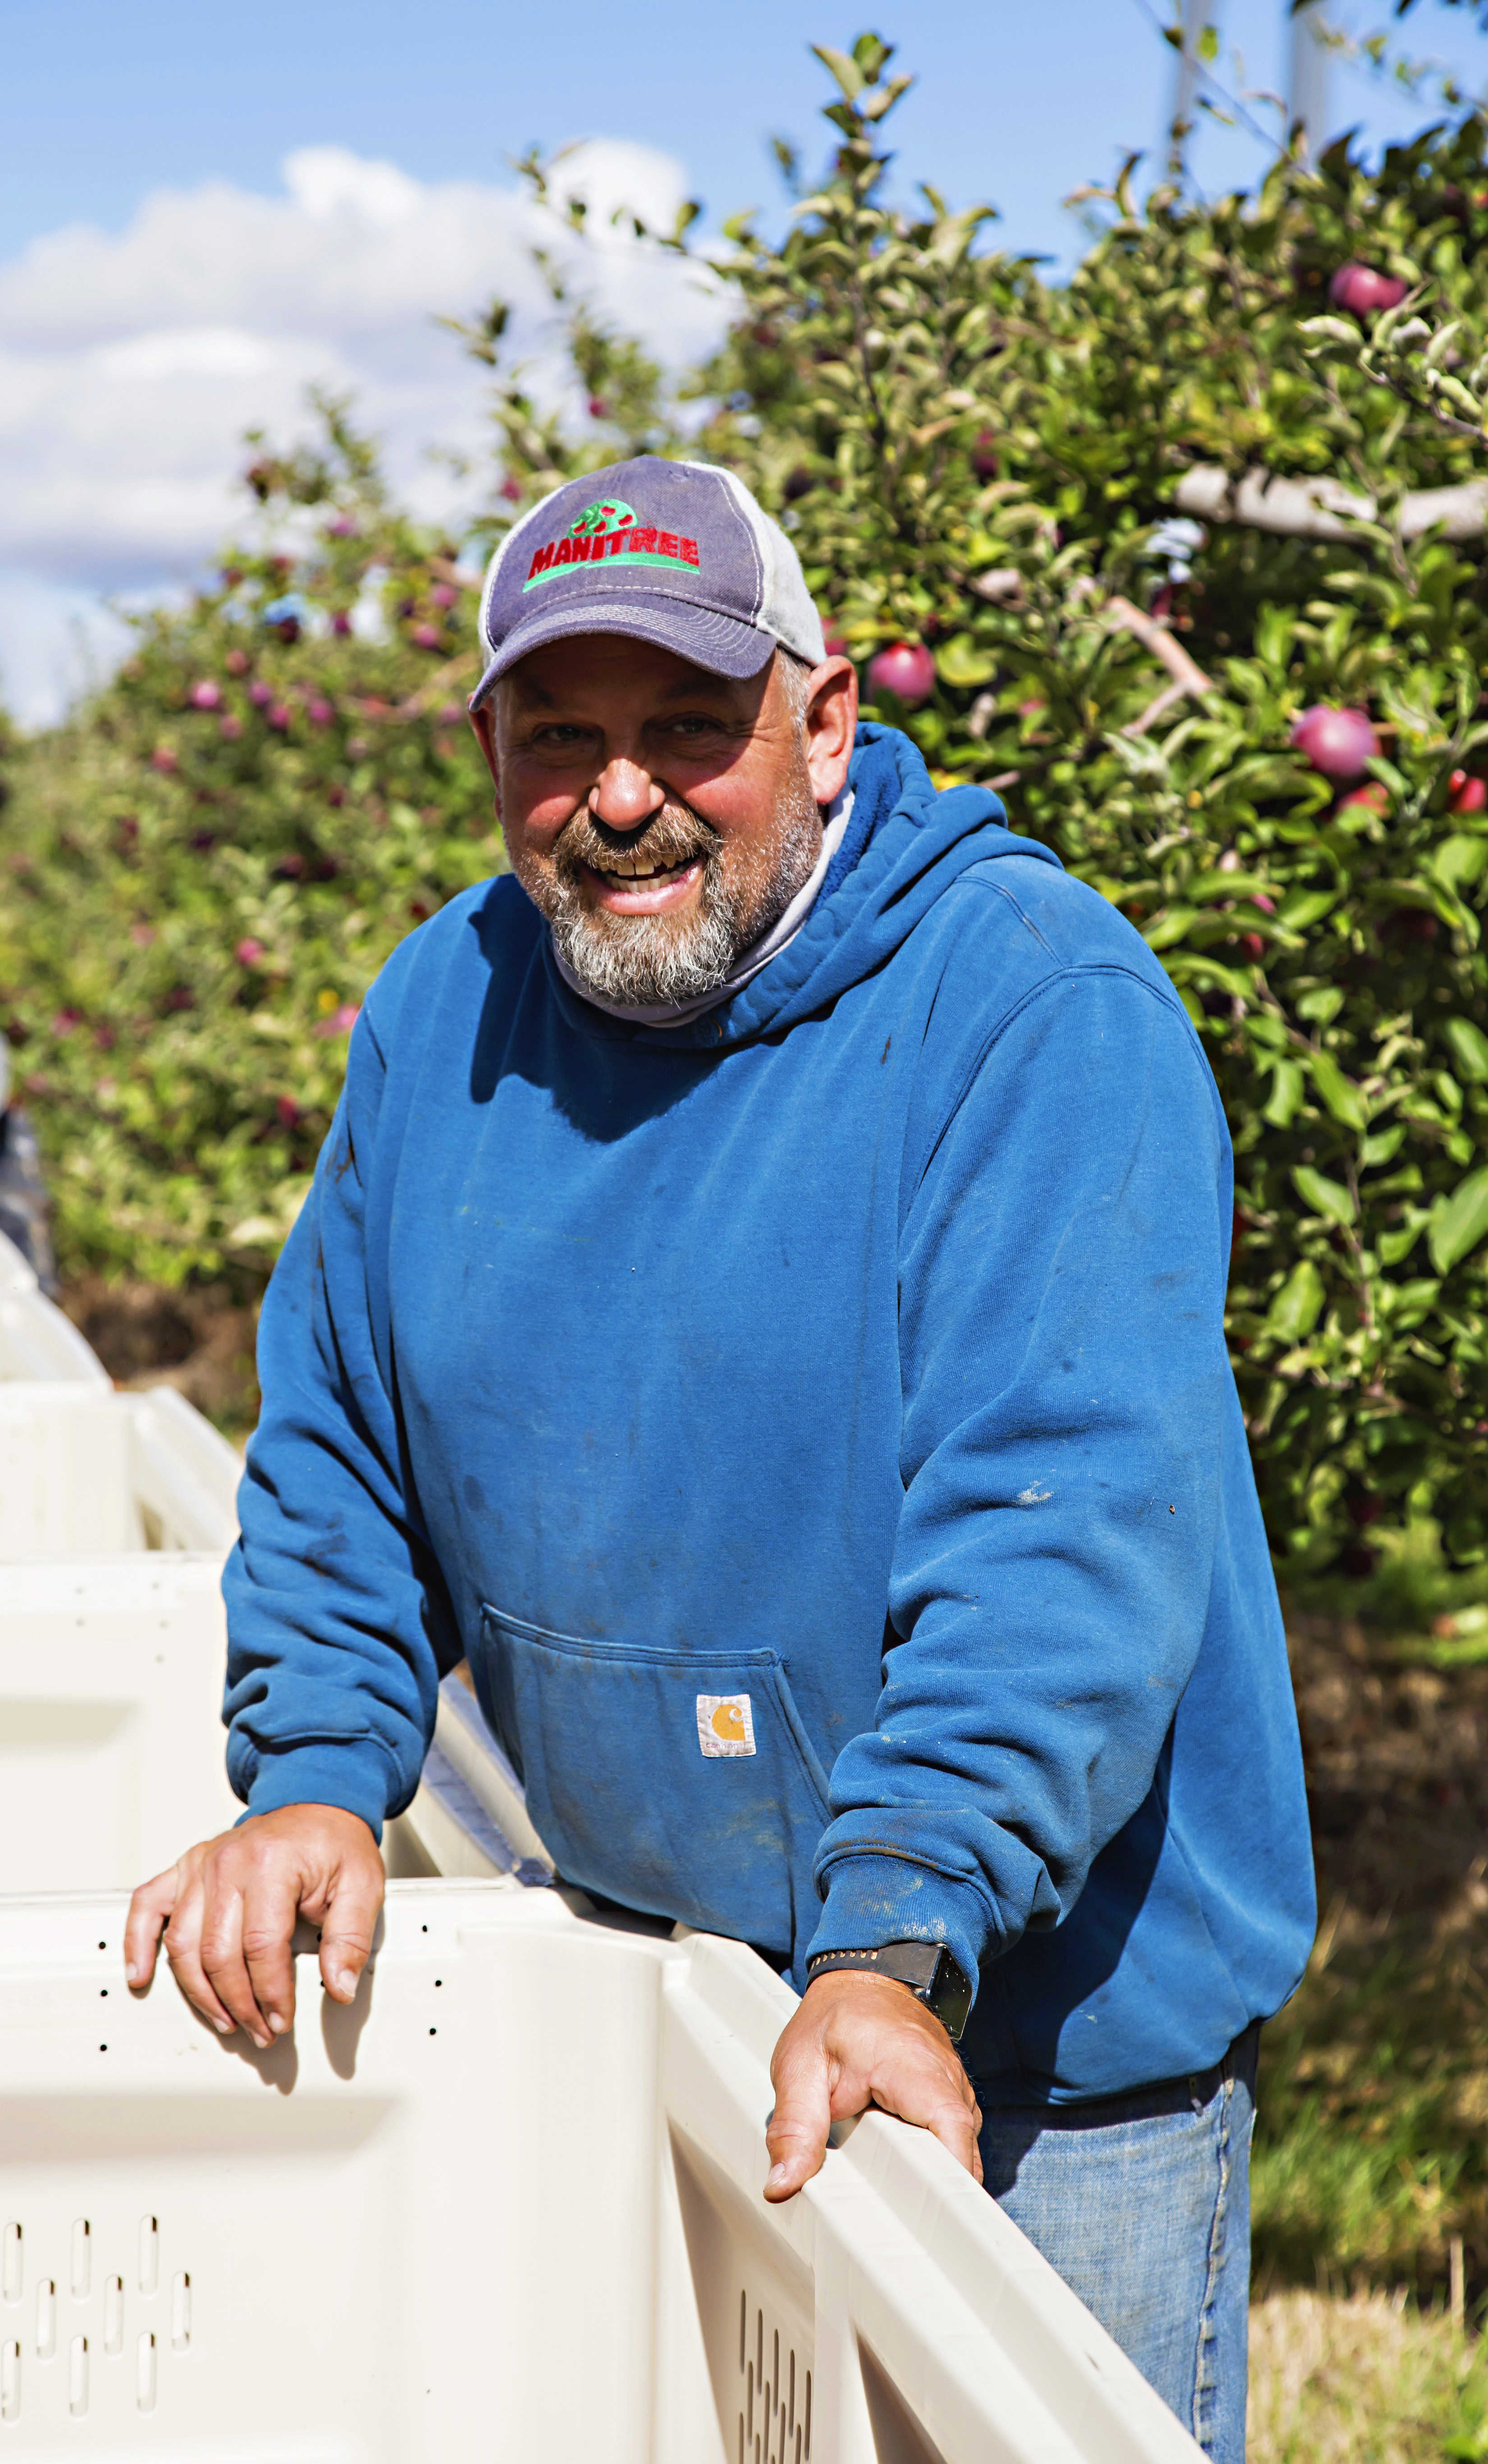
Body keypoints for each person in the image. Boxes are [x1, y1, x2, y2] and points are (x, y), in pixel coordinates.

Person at [127, 456, 1314, 2463]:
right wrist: (321, 1772)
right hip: (648, 1996)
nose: (623, 796)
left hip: (1010, 2055)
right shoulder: (447, 1010)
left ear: (825, 719)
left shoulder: (1032, 1012)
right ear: (489, 747)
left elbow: (1064, 1537)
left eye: (691, 724)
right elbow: (341, 1440)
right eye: (562, 737)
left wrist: (895, 1940)